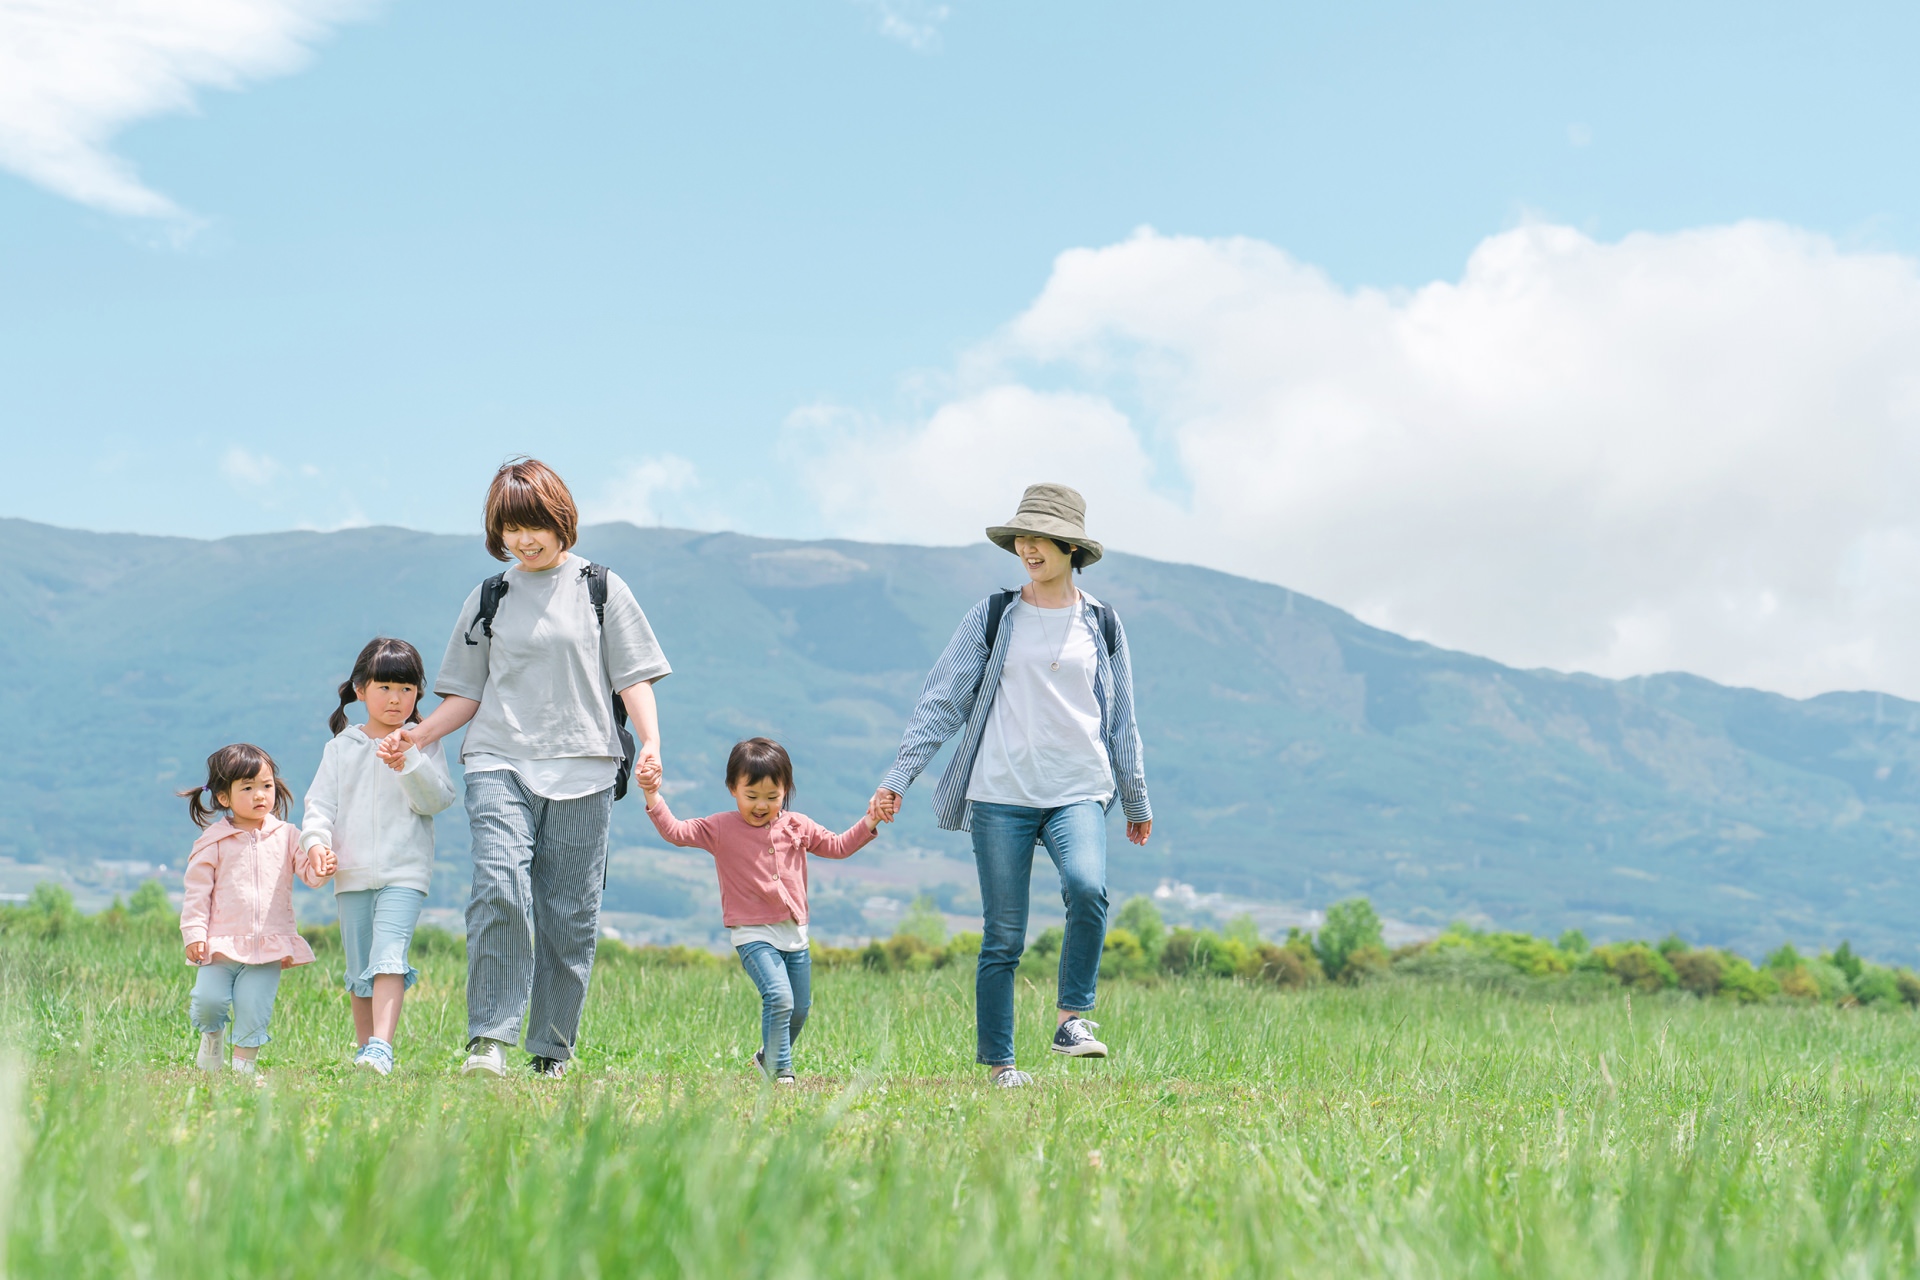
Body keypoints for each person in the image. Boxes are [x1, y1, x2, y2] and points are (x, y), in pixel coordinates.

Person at [378, 458, 670, 1079]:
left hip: (586, 765)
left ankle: (551, 1050)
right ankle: (489, 1039)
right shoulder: (490, 595)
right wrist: (418, 734)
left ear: (560, 519)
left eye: (533, 524)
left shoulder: (601, 587)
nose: (523, 539)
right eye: (510, 528)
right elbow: (467, 692)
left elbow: (634, 674)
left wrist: (650, 742)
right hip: (499, 759)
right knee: (498, 888)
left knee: (568, 915)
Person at [870, 484, 1151, 1088]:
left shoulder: (1101, 622)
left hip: (1078, 786)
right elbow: (943, 700)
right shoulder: (995, 615)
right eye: (1020, 537)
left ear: (1069, 545)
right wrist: (900, 777)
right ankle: (1001, 1065)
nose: (1026, 546)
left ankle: (1071, 1018)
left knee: (1088, 886)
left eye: (1039, 536)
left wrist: (1135, 796)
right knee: (1003, 934)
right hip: (1000, 793)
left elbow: (1120, 714)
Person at [636, 738, 877, 1084]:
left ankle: (767, 1057)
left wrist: (870, 820)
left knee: (799, 1009)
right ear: (733, 788)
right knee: (779, 997)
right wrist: (652, 794)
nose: (761, 805)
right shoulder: (720, 827)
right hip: (752, 934)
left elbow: (838, 846)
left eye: (772, 797)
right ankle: (782, 1073)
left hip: (795, 933)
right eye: (751, 796)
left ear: (786, 791)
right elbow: (675, 831)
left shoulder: (798, 825)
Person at [302, 637, 457, 1076]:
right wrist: (316, 845)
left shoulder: (422, 743)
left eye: (407, 689)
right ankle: (366, 1050)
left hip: (404, 872)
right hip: (349, 872)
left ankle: (381, 1048)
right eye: (385, 686)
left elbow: (437, 800)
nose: (396, 698)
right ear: (360, 690)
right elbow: (320, 807)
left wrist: (409, 761)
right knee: (360, 967)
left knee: (389, 956)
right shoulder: (341, 748)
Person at [177, 744, 336, 1076]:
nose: (260, 795)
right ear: (224, 798)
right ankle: (212, 1040)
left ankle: (242, 1071)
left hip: (269, 945)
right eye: (247, 788)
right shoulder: (212, 842)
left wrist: (321, 868)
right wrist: (194, 933)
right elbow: (196, 894)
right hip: (219, 945)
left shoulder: (288, 835)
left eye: (266, 785)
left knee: (254, 1009)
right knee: (209, 1002)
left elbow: (308, 873)